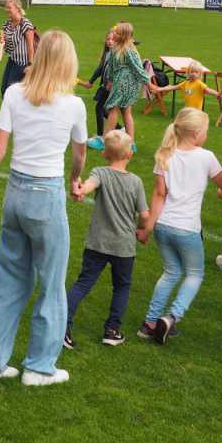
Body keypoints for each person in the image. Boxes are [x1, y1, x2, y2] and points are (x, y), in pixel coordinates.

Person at [0, 30, 88, 386]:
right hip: (46, 196)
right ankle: (39, 367)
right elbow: (79, 154)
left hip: (15, 194)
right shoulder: (73, 104)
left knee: (9, 280)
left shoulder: (14, 93)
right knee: (52, 284)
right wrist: (75, 179)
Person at [137, 108, 222, 344]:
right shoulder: (206, 157)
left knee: (171, 272)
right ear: (197, 133)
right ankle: (172, 316)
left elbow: (159, 195)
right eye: (206, 131)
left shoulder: (165, 155)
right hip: (187, 228)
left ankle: (149, 323)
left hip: (163, 225)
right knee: (195, 274)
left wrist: (148, 227)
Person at [64, 130, 149, 347]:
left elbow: (88, 186)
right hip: (124, 246)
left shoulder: (99, 172)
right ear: (130, 154)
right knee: (121, 286)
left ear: (104, 154)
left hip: (98, 243)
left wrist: (80, 189)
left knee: (84, 283)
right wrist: (141, 229)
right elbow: (145, 215)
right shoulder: (136, 182)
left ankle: (62, 325)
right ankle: (112, 330)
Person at [100, 22, 147, 145]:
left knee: (113, 109)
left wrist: (149, 83)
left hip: (126, 83)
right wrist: (110, 80)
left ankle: (105, 140)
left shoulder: (128, 49)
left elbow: (138, 68)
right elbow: (112, 66)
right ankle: (130, 143)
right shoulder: (117, 48)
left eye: (116, 32)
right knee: (126, 111)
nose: (113, 34)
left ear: (122, 36)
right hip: (120, 81)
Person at [148, 60, 222, 113]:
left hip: (196, 113)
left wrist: (217, 94)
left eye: (196, 72)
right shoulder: (185, 83)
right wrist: (159, 89)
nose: (193, 74)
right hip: (187, 110)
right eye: (191, 72)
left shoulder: (200, 84)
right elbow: (171, 87)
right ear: (188, 72)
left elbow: (208, 90)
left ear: (200, 74)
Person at [0, 0, 37, 97]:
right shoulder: (6, 24)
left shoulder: (25, 23)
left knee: (11, 91)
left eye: (9, 8)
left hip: (22, 63)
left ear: (17, 9)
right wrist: (2, 40)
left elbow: (30, 46)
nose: (6, 10)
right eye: (6, 8)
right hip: (12, 60)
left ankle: (14, 111)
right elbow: (6, 43)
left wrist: (31, 64)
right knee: (4, 89)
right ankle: (9, 111)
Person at [79, 29, 113, 141]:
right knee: (102, 109)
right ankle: (120, 128)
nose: (110, 41)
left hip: (110, 86)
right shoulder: (107, 53)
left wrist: (108, 83)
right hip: (106, 85)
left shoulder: (114, 54)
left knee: (100, 108)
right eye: (108, 39)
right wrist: (91, 81)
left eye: (112, 39)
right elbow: (100, 69)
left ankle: (100, 137)